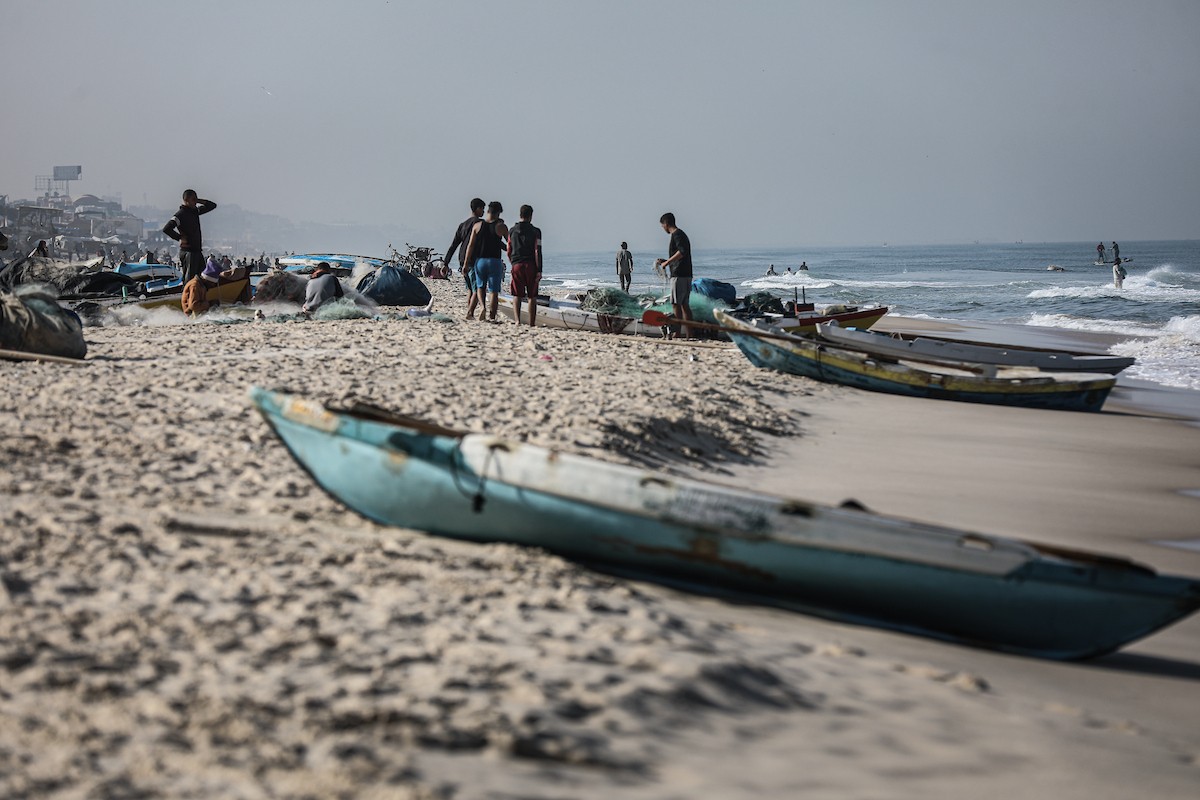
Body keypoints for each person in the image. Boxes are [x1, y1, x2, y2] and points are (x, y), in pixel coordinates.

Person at [463, 201, 508, 323]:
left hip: (480, 261)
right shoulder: (500, 227)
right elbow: (510, 244)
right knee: (494, 291)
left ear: (488, 211)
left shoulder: (477, 226)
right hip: (494, 261)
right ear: (498, 213)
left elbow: (470, 246)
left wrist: (466, 263)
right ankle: (492, 316)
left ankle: (482, 306)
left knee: (480, 287)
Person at [162, 189, 217, 285]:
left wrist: (199, 200)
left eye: (196, 199)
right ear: (186, 200)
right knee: (190, 280)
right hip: (188, 252)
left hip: (197, 251)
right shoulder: (181, 214)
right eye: (193, 199)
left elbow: (212, 205)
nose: (195, 202)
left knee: (203, 277)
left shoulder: (194, 211)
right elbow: (167, 229)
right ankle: (187, 297)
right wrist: (179, 237)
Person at [444, 198, 486, 319]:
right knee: (476, 289)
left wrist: (446, 263)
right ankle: (470, 313)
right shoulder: (479, 224)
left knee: (469, 289)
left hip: (462, 259)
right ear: (477, 209)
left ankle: (469, 311)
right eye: (482, 209)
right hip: (473, 259)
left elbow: (453, 245)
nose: (483, 211)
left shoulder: (462, 225)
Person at [654, 212, 694, 339]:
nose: (663, 229)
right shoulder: (680, 235)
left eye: (662, 226)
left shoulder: (677, 235)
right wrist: (665, 260)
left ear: (666, 224)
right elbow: (681, 255)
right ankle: (689, 334)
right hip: (686, 273)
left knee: (676, 304)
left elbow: (682, 252)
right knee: (684, 305)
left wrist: (667, 262)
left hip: (679, 275)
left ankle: (678, 332)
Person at [508, 205, 543, 327]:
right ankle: (531, 323)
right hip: (531, 265)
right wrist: (539, 270)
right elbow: (537, 251)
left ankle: (517, 321)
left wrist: (512, 262)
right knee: (532, 295)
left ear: (520, 214)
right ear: (531, 216)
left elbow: (509, 249)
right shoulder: (536, 231)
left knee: (517, 294)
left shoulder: (512, 230)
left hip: (517, 264)